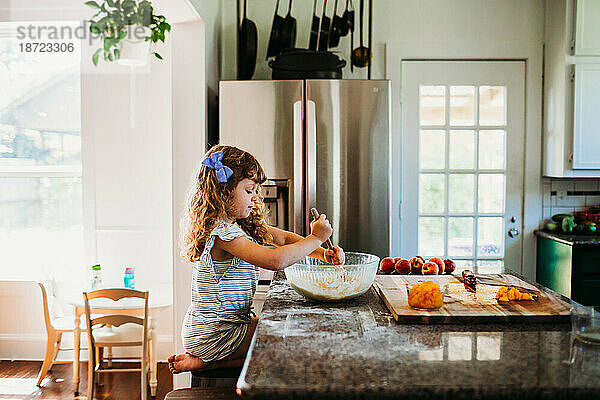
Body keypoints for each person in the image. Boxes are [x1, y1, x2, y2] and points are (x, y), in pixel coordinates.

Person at [168, 145, 345, 373]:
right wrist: (316, 237)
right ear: (224, 191)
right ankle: (206, 361)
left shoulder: (237, 226)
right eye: (249, 190)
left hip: (222, 326)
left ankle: (205, 361)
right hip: (216, 332)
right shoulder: (223, 234)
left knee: (283, 336)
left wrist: (323, 254)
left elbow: (281, 239)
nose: (255, 198)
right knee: (291, 343)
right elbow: (275, 260)